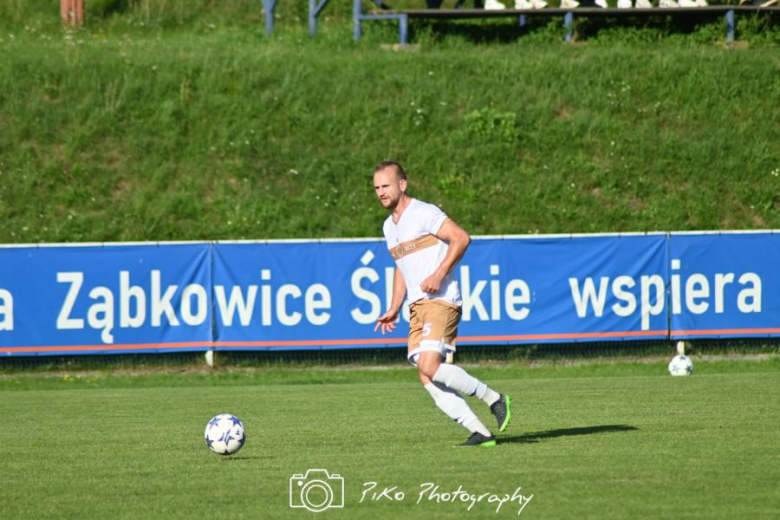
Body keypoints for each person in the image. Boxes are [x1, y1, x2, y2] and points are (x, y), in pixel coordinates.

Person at [372, 161, 511, 447]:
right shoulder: (389, 226)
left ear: (402, 184)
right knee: (426, 377)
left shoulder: (424, 212)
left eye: (386, 185)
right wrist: (394, 307)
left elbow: (461, 238)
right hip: (416, 307)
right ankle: (481, 432)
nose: (381, 192)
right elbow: (402, 267)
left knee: (430, 365)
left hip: (441, 300)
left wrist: (439, 274)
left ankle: (494, 398)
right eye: (376, 188)